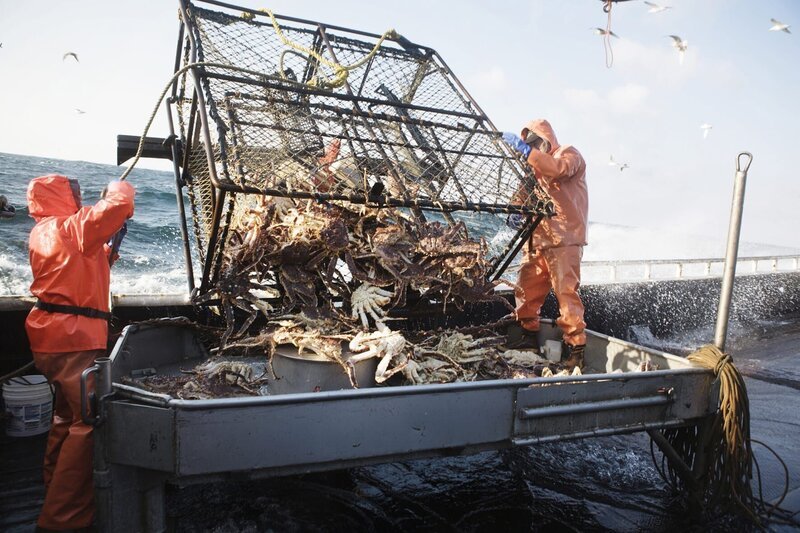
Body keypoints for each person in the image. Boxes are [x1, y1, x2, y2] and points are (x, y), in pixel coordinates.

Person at [25, 174, 135, 532]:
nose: (79, 196)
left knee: (66, 416)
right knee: (88, 424)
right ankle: (64, 520)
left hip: (49, 338)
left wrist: (109, 249)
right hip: (74, 340)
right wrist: (117, 187)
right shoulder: (70, 229)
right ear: (61, 196)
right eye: (73, 192)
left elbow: (78, 266)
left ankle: (52, 483)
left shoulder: (45, 230)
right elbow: (119, 205)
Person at [502, 119, 588, 369]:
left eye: (534, 143)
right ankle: (527, 337)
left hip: (565, 239)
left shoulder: (569, 154)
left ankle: (576, 349)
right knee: (525, 290)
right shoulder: (531, 171)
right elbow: (522, 195)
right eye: (527, 144)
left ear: (546, 139)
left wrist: (530, 154)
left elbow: (559, 169)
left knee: (566, 294)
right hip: (538, 239)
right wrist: (515, 212)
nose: (530, 148)